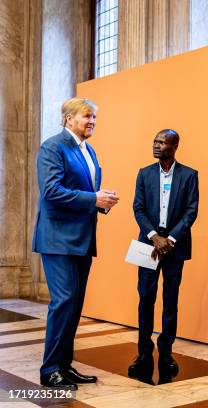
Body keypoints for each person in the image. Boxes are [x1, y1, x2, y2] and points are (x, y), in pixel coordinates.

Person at [33, 98, 119, 389]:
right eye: (87, 116)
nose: (92, 121)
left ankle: (64, 366)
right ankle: (49, 370)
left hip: (82, 239)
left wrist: (101, 201)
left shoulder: (89, 150)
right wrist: (93, 199)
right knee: (64, 301)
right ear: (69, 119)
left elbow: (85, 192)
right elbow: (52, 191)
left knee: (75, 304)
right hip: (58, 239)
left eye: (94, 117)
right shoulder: (53, 147)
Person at [129, 129, 199, 382]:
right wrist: (153, 236)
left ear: (175, 146)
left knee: (171, 301)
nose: (156, 145)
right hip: (148, 245)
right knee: (145, 298)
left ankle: (166, 352)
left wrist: (170, 239)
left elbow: (191, 211)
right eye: (154, 141)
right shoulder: (144, 173)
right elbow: (137, 208)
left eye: (162, 142)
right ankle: (143, 352)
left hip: (174, 247)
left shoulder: (189, 175)